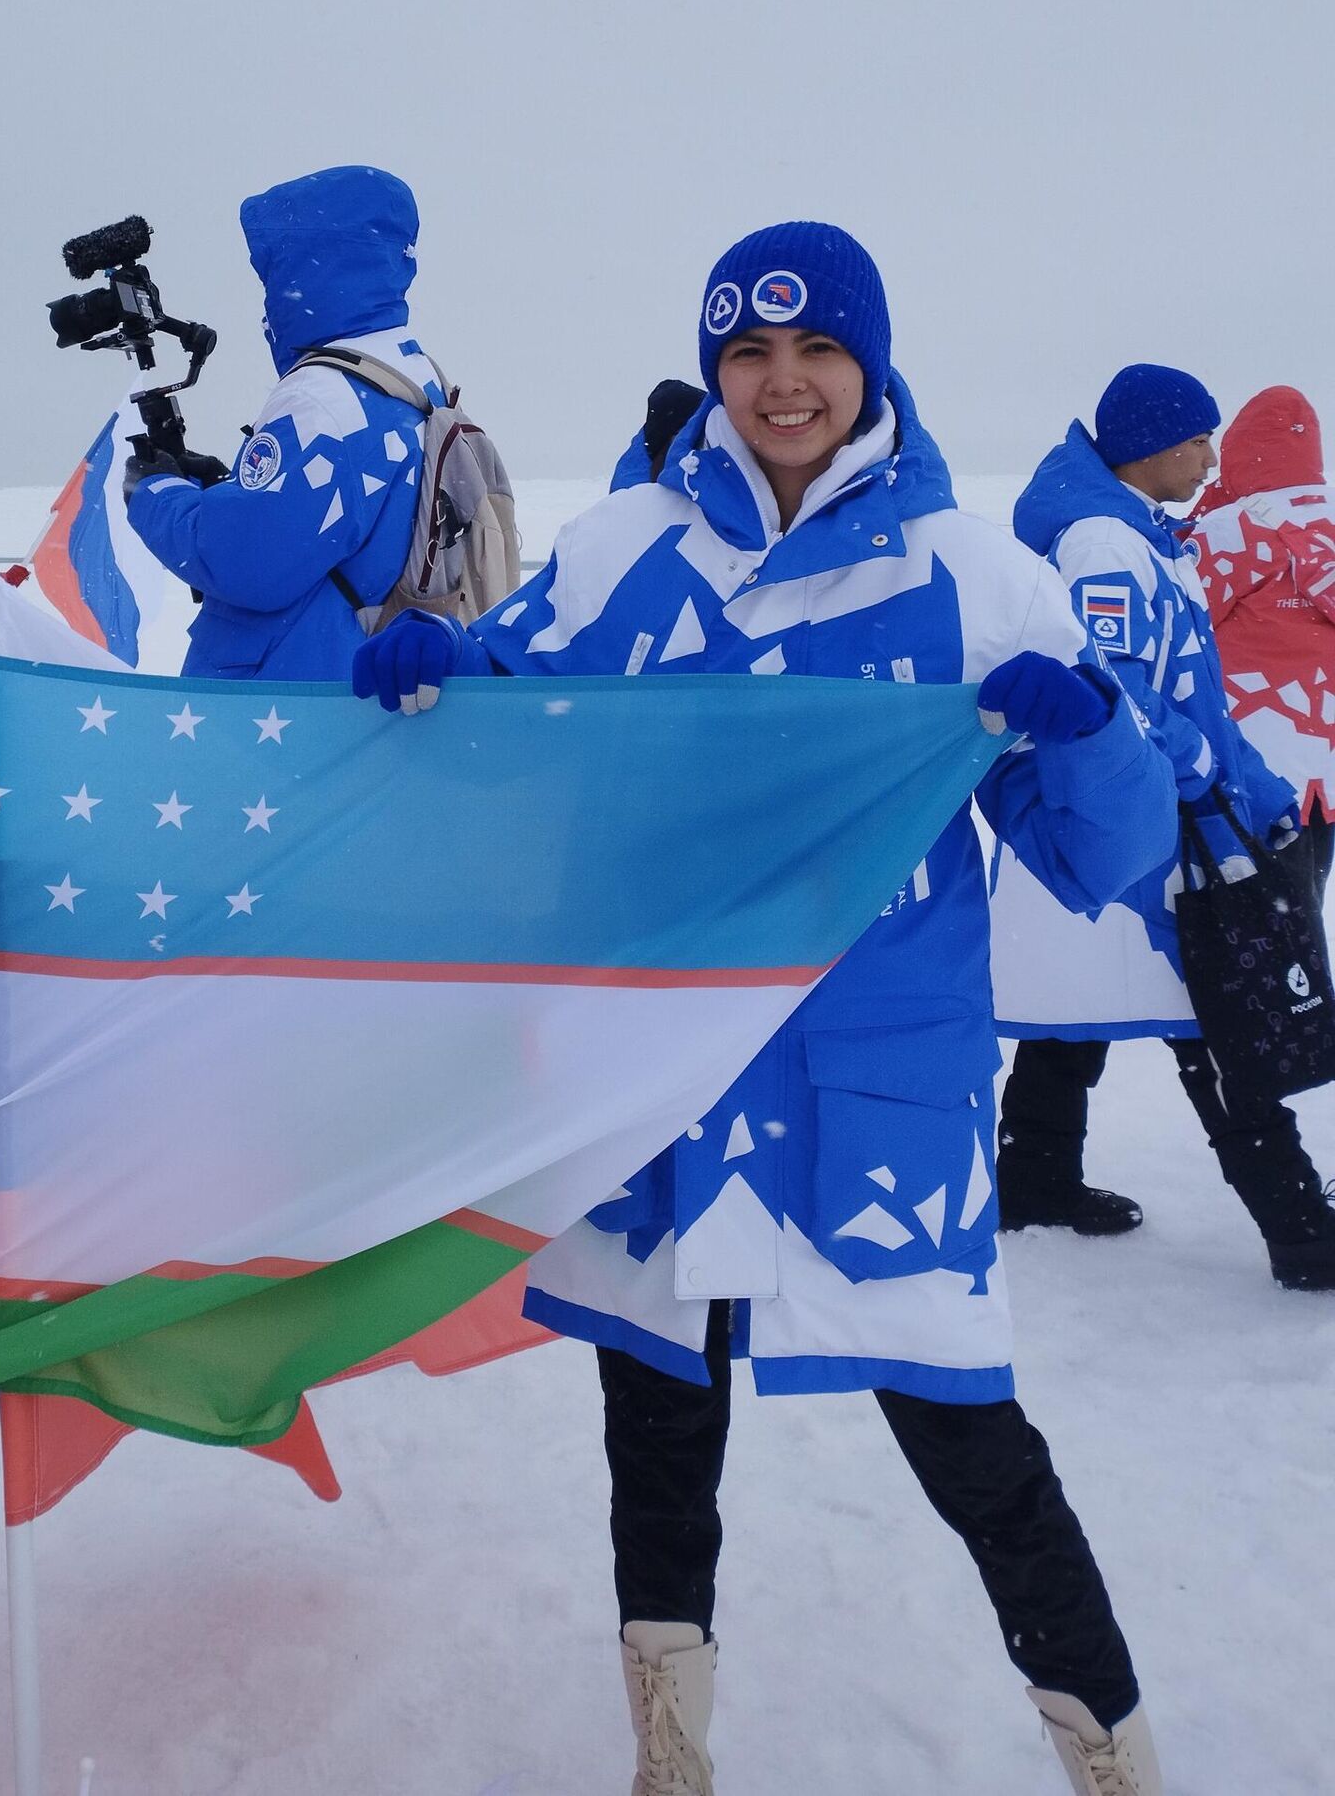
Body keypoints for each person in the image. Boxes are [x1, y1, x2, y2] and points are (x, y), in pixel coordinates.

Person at [352, 225, 1173, 1796]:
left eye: (814, 352)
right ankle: (672, 1754)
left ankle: (1115, 1757)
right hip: (663, 1089)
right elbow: (516, 714)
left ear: (868, 359)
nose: (780, 384)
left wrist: (1094, 735)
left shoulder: (974, 572)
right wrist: (439, 670)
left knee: (977, 1450)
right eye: (747, 354)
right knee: (656, 1451)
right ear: (715, 368)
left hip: (876, 1106)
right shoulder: (627, 548)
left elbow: (1111, 858)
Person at [991, 366, 1335, 1290]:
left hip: (1142, 809)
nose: (1212, 460)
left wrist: (1250, 786)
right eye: (1198, 440)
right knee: (1219, 1013)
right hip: (1148, 814)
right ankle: (1305, 1233)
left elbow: (1192, 694)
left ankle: (1035, 1178)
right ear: (1150, 443)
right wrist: (1197, 768)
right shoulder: (1105, 543)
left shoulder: (1137, 533)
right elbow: (1117, 681)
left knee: (1082, 1003)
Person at [122, 165, 452, 679]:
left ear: (314, 269)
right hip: (350, 682)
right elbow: (329, 523)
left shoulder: (326, 399)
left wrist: (156, 494)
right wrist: (225, 494)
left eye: (275, 272)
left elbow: (248, 563)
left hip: (284, 705)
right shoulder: (409, 374)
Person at [1186, 386, 1335, 891]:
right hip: (1326, 769)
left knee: (1247, 925)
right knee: (1302, 916)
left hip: (1255, 768)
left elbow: (1183, 621)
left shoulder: (1233, 529)